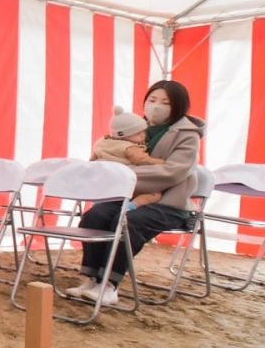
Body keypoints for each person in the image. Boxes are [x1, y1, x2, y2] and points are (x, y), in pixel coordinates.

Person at [66, 81, 205, 306]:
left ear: (178, 106)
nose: (156, 106)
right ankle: (93, 280)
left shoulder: (189, 134)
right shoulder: (134, 127)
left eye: (165, 102)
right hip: (131, 197)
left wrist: (126, 173)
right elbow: (113, 153)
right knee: (96, 215)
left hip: (169, 203)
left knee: (129, 222)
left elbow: (173, 171)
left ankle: (110, 285)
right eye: (152, 100)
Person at [91, 105, 166, 208]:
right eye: (137, 133)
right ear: (123, 135)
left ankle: (98, 204)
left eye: (143, 131)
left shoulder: (102, 142)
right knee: (155, 194)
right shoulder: (129, 147)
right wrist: (160, 162)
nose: (143, 135)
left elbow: (93, 159)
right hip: (123, 180)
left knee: (104, 201)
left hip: (105, 181)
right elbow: (142, 160)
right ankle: (132, 206)